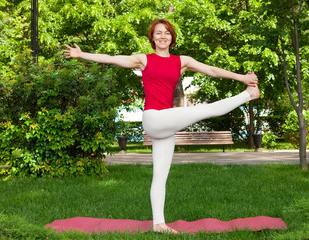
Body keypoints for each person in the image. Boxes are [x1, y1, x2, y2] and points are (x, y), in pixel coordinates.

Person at [63, 18, 259, 234]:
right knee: (205, 109)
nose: (163, 36)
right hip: (154, 118)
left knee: (160, 175)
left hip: (166, 124)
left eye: (166, 33)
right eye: (158, 33)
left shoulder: (181, 61)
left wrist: (241, 77)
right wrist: (82, 55)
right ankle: (248, 95)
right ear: (152, 38)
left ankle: (159, 224)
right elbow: (112, 59)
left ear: (172, 38)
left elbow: (212, 70)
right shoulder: (143, 59)